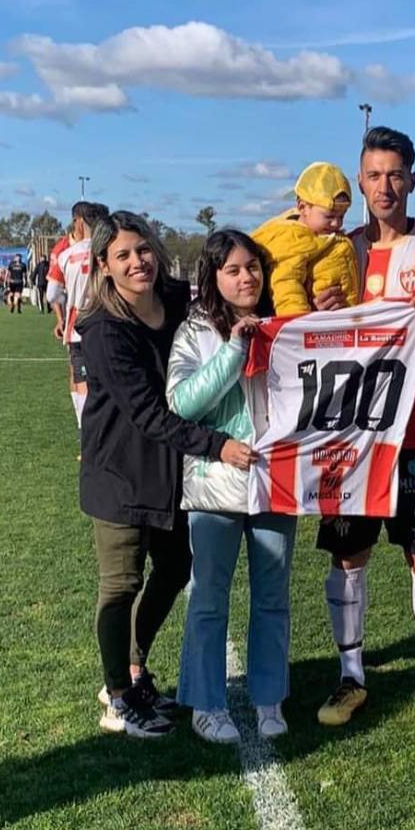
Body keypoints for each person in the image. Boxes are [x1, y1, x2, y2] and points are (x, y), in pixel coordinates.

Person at [314, 125, 415, 734]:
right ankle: (351, 676)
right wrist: (323, 317)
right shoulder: (341, 249)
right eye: (374, 175)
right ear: (360, 181)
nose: (385, 186)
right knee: (348, 556)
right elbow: (311, 340)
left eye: (395, 175)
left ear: (412, 179)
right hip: (350, 442)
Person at [77, 210, 251, 739]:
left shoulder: (178, 300)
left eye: (143, 250)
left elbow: (227, 299)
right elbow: (150, 414)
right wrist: (217, 446)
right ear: (104, 265)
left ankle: (133, 669)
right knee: (121, 584)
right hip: (120, 473)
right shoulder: (104, 330)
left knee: (175, 569)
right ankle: (117, 694)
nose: (137, 262)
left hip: (171, 471)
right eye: (123, 255)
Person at [167, 229, 296, 744]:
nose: (246, 278)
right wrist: (233, 351)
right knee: (209, 597)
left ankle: (269, 697)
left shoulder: (284, 325)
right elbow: (182, 405)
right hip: (214, 487)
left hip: (276, 483)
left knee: (273, 597)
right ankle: (205, 702)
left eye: (253, 268)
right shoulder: (194, 331)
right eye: (234, 270)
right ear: (213, 277)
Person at [250, 162, 360, 314]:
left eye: (342, 216)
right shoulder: (292, 240)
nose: (337, 223)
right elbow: (286, 285)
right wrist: (299, 324)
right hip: (312, 329)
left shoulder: (327, 237)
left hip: (344, 324)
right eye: (329, 216)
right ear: (303, 208)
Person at [48, 202, 110, 445]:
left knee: (81, 379)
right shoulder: (108, 250)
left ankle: (88, 435)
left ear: (79, 222)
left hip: (78, 324)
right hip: (107, 320)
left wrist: (67, 303)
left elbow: (52, 293)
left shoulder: (64, 254)